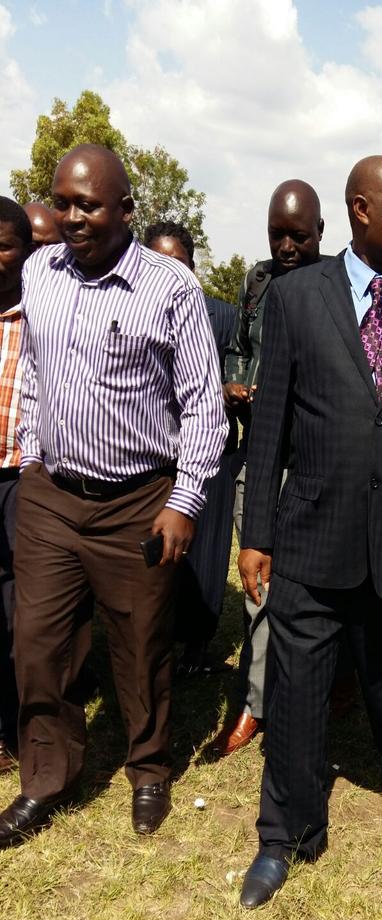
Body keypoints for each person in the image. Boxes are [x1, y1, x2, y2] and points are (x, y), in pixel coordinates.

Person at [236, 154, 382, 907]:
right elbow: (271, 419)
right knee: (297, 689)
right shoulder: (298, 299)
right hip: (313, 534)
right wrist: (258, 531)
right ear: (361, 209)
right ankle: (285, 832)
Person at [0, 144, 227, 848]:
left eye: (89, 204)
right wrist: (33, 450)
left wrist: (184, 502)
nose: (71, 217)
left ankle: (148, 767)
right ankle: (45, 777)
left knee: (138, 648)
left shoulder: (170, 289)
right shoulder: (40, 272)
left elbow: (203, 408)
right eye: (62, 202)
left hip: (138, 500)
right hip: (52, 496)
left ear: (124, 209)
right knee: (38, 644)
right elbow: (33, 370)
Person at [212, 180, 325, 756]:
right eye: (277, 234)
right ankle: (257, 703)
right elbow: (236, 347)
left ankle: (318, 691)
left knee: (309, 592)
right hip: (258, 456)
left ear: (321, 234)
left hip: (311, 467)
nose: (286, 247)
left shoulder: (334, 291)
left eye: (298, 236)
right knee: (258, 586)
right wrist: (238, 384)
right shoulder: (256, 281)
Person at [144, 221, 238, 674]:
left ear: (193, 268)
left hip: (208, 454)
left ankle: (198, 643)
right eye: (157, 262)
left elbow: (241, 367)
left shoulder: (222, 316)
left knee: (208, 548)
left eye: (176, 263)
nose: (166, 272)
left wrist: (228, 391)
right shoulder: (131, 312)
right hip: (156, 455)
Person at [0, 198, 33, 773]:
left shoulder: (41, 314)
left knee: (18, 612)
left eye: (4, 244)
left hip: (22, 476)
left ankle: (16, 727)